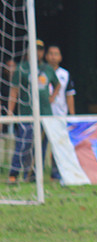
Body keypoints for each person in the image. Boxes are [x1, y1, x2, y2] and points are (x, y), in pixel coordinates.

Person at [7, 39, 59, 183]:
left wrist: (52, 97)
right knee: (23, 143)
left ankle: (33, 175)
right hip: (26, 112)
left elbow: (57, 84)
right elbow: (14, 90)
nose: (37, 52)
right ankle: (14, 173)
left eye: (40, 49)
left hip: (45, 114)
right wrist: (10, 111)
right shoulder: (22, 68)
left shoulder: (47, 69)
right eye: (34, 49)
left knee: (41, 147)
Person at [46, 45, 75, 116]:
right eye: (51, 54)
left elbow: (69, 95)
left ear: (60, 57)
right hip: (44, 114)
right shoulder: (41, 72)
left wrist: (72, 115)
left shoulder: (65, 74)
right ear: (46, 56)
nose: (53, 57)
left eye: (56, 54)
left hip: (61, 114)